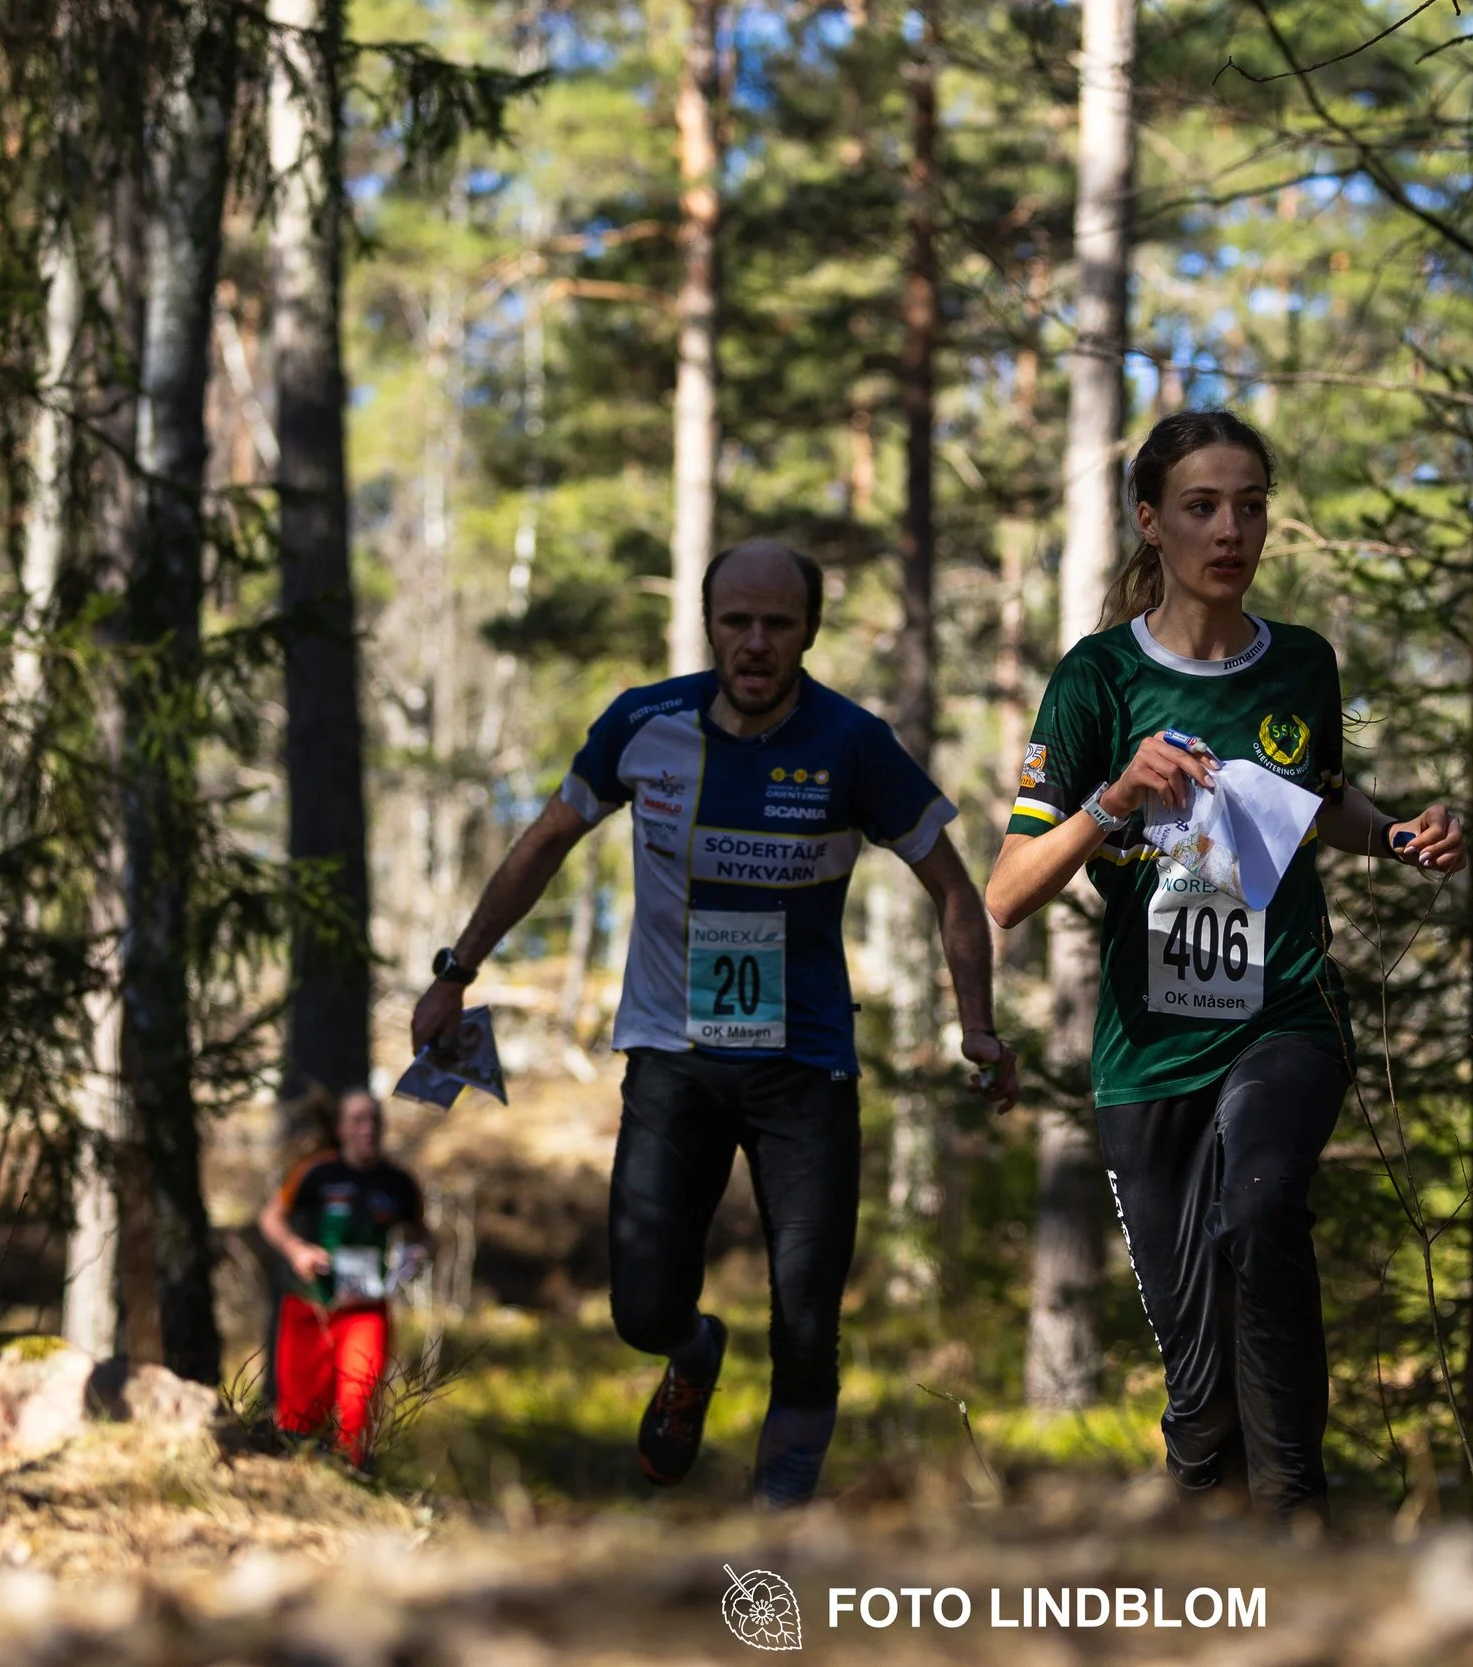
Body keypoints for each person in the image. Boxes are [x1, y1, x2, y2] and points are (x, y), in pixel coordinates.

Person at [411, 538, 1019, 1507]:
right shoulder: (641, 722)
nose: (755, 642)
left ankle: (777, 1523)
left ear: (808, 633)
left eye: (777, 623)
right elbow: (544, 843)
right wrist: (457, 967)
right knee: (642, 1305)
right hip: (672, 1057)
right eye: (736, 620)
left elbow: (949, 883)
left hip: (805, 1067)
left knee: (809, 1317)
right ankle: (693, 1353)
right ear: (709, 623)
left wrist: (976, 1023)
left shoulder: (850, 742)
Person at [986, 410, 1466, 1522]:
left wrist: (1398, 833)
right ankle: (1213, 1529)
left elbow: (1321, 800)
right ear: (1151, 523)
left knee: (1260, 1207)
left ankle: (1300, 1519)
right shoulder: (1096, 678)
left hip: (1283, 1011)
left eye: (1249, 503)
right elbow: (1008, 890)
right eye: (1201, 506)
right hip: (1149, 1048)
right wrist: (1115, 798)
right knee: (1200, 1403)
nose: (1230, 527)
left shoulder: (1299, 663)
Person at [258, 1089, 434, 1465]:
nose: (367, 1129)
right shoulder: (317, 1173)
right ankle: (301, 1484)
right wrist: (297, 1251)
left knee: (360, 1403)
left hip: (365, 1309)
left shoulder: (398, 1182)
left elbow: (424, 1235)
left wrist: (417, 1255)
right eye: (357, 1121)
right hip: (309, 1305)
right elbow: (270, 1219)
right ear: (341, 1129)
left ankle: (357, 1479)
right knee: (299, 1414)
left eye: (374, 1120)